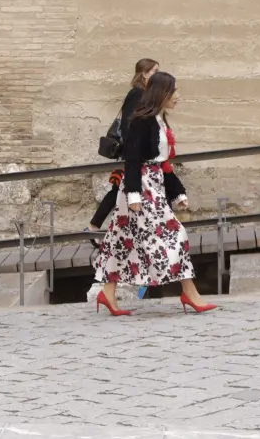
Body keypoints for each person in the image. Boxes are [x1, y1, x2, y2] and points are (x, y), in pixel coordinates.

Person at [93, 72, 217, 316]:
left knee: (121, 241)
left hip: (155, 184)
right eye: (174, 92)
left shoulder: (160, 120)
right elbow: (132, 158)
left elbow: (163, 162)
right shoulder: (141, 120)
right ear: (161, 93)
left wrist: (177, 192)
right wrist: (134, 195)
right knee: (176, 234)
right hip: (140, 187)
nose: (178, 96)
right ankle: (190, 293)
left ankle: (107, 292)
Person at [86, 58, 159, 234]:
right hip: (130, 153)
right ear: (144, 74)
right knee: (118, 190)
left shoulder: (144, 94)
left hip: (134, 152)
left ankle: (100, 228)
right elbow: (128, 124)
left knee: (120, 191)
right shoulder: (136, 94)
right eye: (155, 71)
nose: (158, 74)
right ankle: (94, 227)